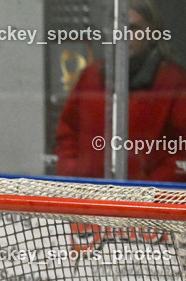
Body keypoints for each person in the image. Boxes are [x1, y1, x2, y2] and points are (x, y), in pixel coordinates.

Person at [55, 0, 186, 181]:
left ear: (152, 33)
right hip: (88, 193)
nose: (124, 36)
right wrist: (73, 174)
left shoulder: (174, 82)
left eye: (133, 28)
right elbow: (68, 133)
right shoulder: (90, 77)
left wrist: (147, 191)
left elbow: (181, 151)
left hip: (149, 195)